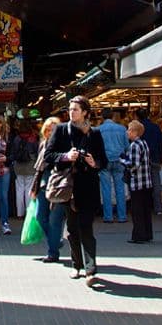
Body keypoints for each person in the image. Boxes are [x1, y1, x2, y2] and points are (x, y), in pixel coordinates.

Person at [46, 95, 108, 281]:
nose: (71, 113)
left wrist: (94, 162)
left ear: (85, 113)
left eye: (75, 110)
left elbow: (103, 160)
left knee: (86, 227)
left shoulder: (94, 133)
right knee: (72, 229)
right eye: (70, 109)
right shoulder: (61, 130)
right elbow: (48, 155)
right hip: (68, 186)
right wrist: (65, 156)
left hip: (88, 185)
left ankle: (91, 269)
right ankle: (76, 265)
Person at [33, 116, 65, 264]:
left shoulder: (63, 145)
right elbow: (39, 169)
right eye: (48, 129)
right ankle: (55, 241)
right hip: (44, 183)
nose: (50, 132)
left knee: (55, 219)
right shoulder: (43, 144)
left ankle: (53, 252)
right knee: (40, 216)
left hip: (59, 183)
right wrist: (34, 187)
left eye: (53, 130)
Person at [120, 119, 153, 243]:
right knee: (145, 210)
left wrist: (122, 161)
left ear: (135, 132)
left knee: (137, 211)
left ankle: (139, 235)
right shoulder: (144, 143)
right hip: (146, 182)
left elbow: (134, 165)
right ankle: (147, 233)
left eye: (129, 129)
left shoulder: (134, 145)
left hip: (137, 183)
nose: (127, 132)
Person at [98, 110, 128, 223]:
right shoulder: (122, 129)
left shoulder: (98, 130)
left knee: (106, 189)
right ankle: (122, 216)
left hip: (105, 161)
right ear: (112, 116)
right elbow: (127, 146)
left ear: (102, 117)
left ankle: (108, 216)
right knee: (120, 188)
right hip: (119, 160)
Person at [137, 108, 162, 215]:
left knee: (143, 184)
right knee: (156, 183)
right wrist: (160, 157)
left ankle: (145, 207)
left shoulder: (139, 129)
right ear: (148, 115)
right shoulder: (156, 127)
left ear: (137, 117)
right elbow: (160, 143)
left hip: (142, 160)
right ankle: (158, 208)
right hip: (155, 158)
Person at [9, 120, 39, 220]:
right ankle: (28, 212)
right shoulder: (33, 139)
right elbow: (36, 152)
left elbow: (13, 152)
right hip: (30, 165)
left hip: (18, 166)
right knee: (29, 189)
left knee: (19, 189)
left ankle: (19, 213)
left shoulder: (16, 139)